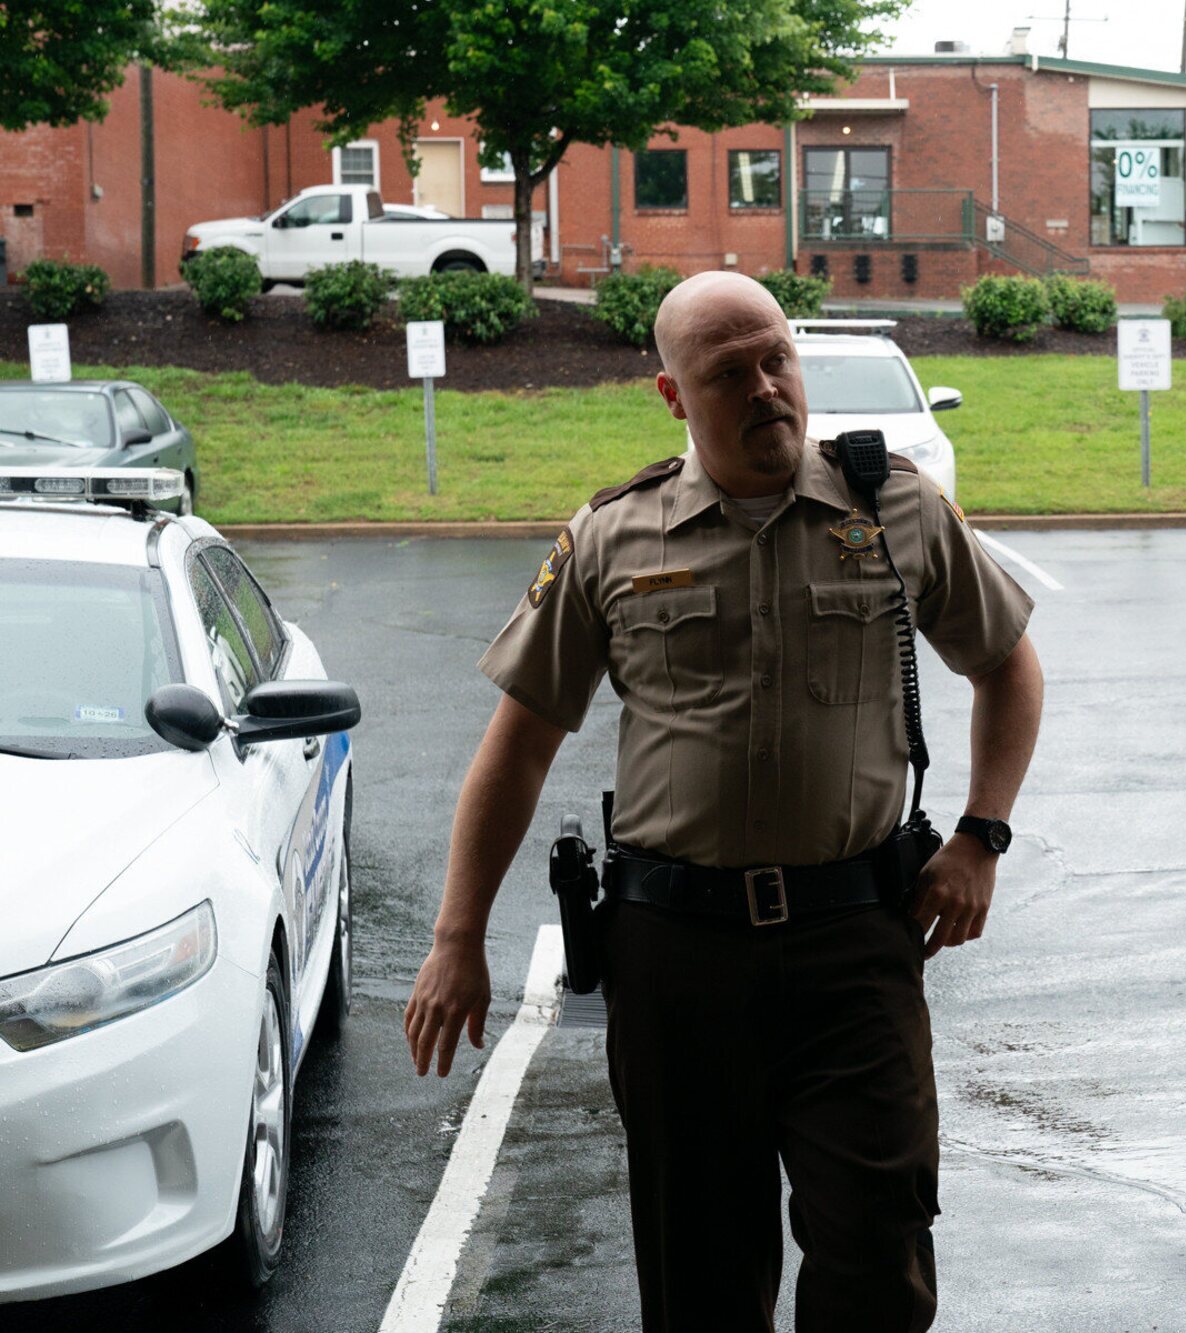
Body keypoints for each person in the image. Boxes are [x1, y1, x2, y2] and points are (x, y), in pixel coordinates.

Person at [402, 270, 1045, 1332]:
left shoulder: (893, 507)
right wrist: (456, 935)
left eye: (776, 358)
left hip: (855, 945)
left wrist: (980, 835)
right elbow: (514, 750)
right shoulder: (615, 536)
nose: (764, 388)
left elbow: (1008, 666)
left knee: (877, 1253)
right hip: (677, 960)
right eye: (728, 372)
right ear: (671, 394)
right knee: (700, 1273)